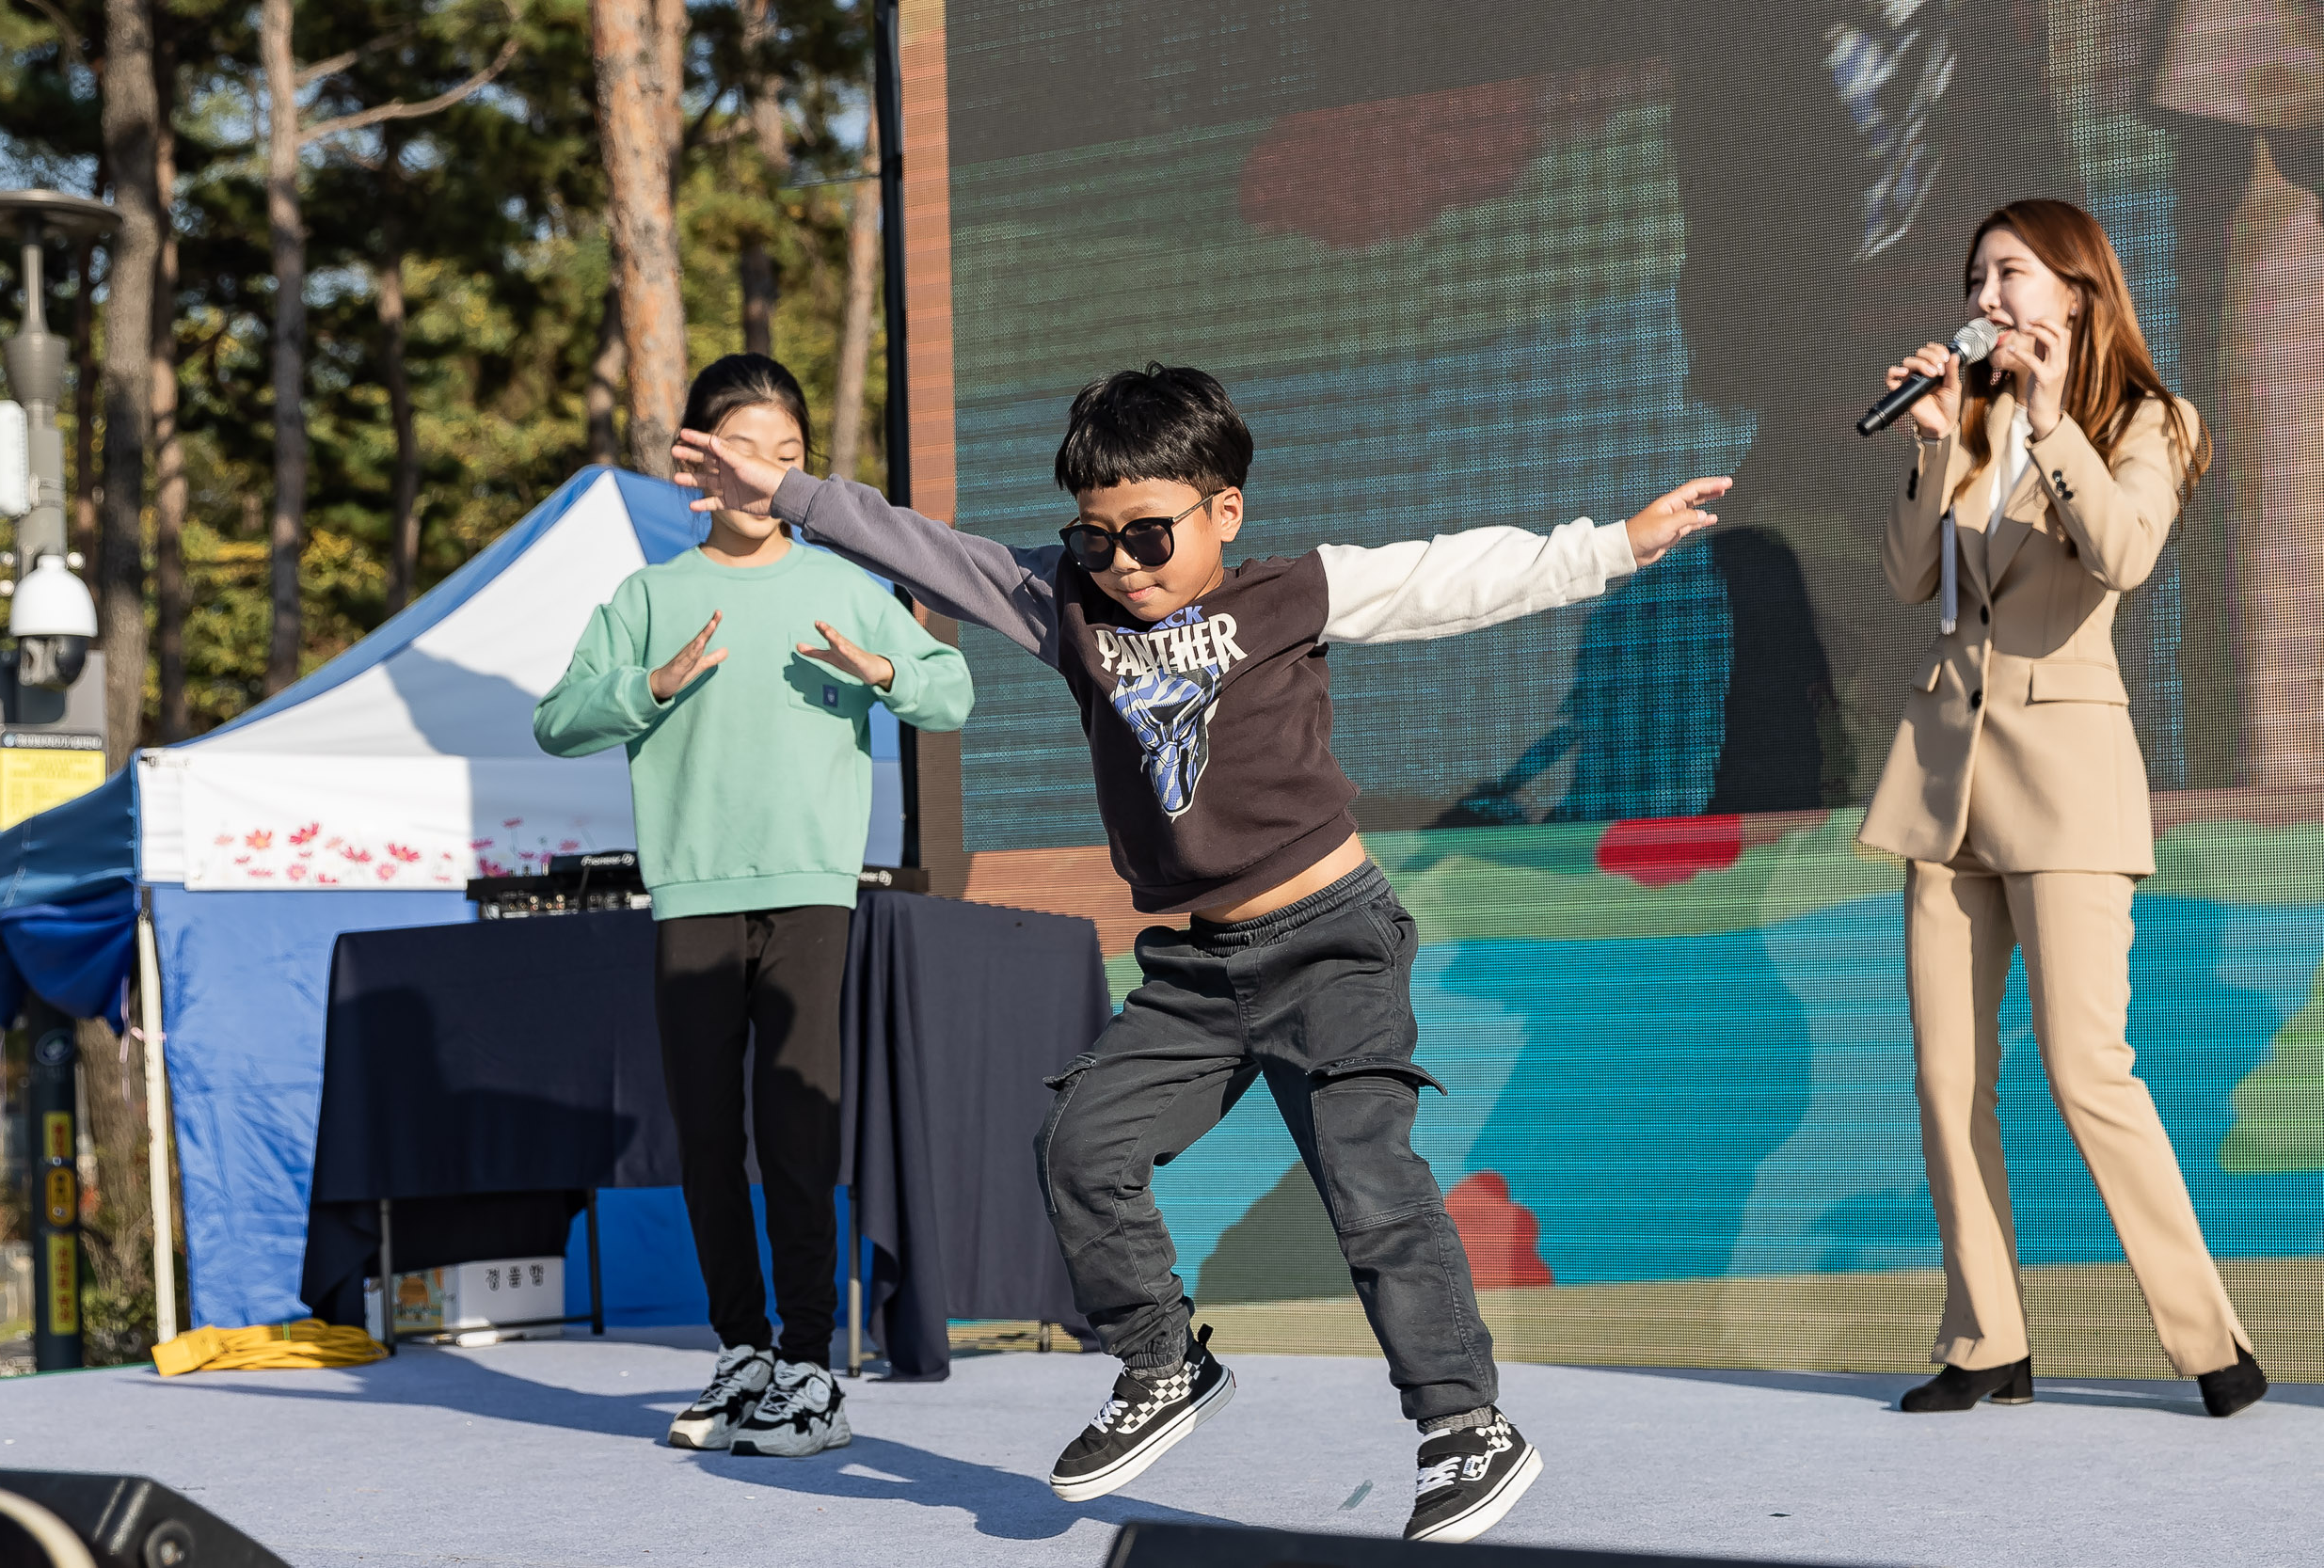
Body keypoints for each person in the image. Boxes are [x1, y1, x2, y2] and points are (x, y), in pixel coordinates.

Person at [672, 363, 1727, 1543]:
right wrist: (795, 493)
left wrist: (1614, 545)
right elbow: (927, 549)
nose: (1123, 562)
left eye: (1149, 533)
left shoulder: (1293, 595)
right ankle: (1161, 1362)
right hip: (1199, 970)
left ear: (1224, 511)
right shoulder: (1068, 604)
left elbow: (1452, 577)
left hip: (1332, 943)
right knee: (1080, 1144)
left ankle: (1463, 1423)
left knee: (1369, 1183)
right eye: (1097, 536)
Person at [1859, 198, 2267, 1418]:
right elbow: (1905, 576)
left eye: (2011, 273)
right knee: (1946, 1075)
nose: (1987, 295)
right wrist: (1940, 441)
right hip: (1943, 779)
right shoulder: (1968, 419)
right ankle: (1986, 1337)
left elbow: (2125, 550)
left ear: (2077, 292)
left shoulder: (2155, 419)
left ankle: (2209, 1339)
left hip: (2069, 780)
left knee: (2088, 1064)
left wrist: (2045, 420)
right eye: (1977, 273)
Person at [533, 355, 974, 1456]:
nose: (764, 472)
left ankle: (811, 1366)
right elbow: (557, 720)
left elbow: (952, 692)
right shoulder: (646, 598)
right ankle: (742, 1353)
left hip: (813, 892)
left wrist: (883, 671)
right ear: (697, 463)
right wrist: (651, 687)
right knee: (708, 1134)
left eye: (786, 456)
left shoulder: (843, 584)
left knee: (796, 1131)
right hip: (690, 892)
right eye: (742, 451)